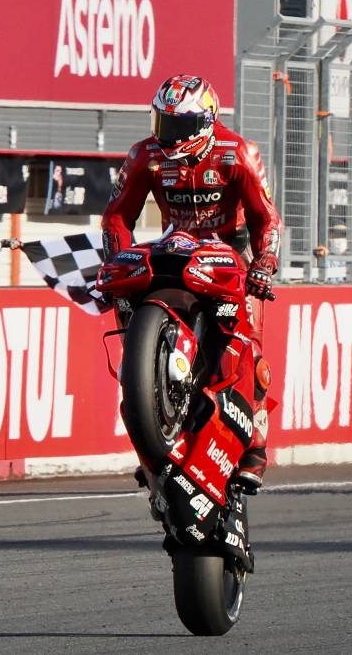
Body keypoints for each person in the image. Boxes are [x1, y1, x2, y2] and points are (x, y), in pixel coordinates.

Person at [100, 74, 283, 493]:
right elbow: (116, 215)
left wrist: (264, 262)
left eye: (177, 127)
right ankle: (155, 435)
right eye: (161, 122)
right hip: (175, 247)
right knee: (131, 323)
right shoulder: (145, 154)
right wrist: (116, 260)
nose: (167, 135)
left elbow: (265, 217)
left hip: (229, 253)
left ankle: (254, 449)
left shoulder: (238, 153)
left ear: (205, 123)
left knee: (248, 343)